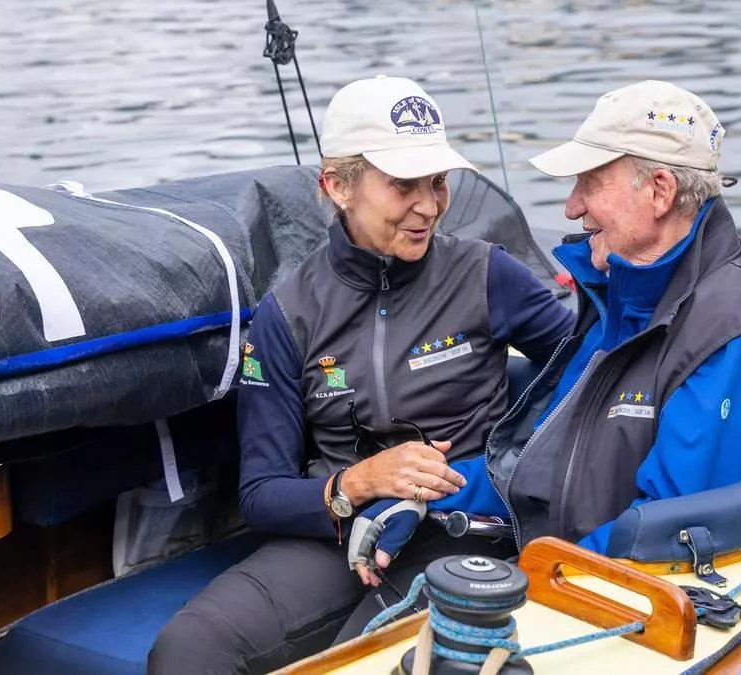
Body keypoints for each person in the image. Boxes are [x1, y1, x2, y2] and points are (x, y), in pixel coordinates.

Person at [341, 80, 741, 617]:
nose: (573, 207)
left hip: (597, 598)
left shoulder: (737, 337)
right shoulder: (623, 299)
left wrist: (523, 586)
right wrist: (419, 500)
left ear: (661, 191)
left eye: (589, 184)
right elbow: (533, 462)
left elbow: (659, 538)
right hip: (554, 563)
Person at [147, 75, 574, 674]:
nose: (428, 205)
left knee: (367, 661)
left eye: (438, 182)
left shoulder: (489, 275)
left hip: (464, 529)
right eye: (404, 185)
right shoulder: (286, 315)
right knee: (186, 649)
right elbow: (262, 493)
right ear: (337, 186)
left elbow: (590, 385)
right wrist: (358, 484)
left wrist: (490, 475)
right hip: (335, 535)